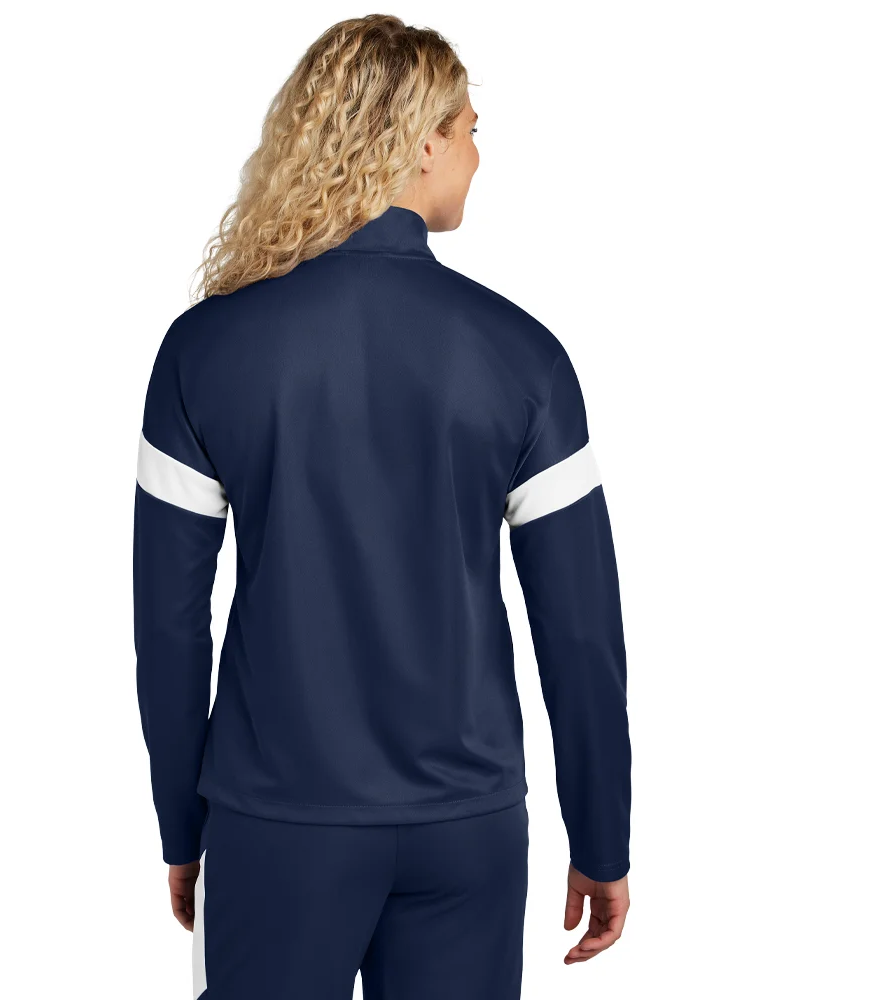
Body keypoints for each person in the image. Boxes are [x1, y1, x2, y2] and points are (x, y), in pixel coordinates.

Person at [133, 14, 631, 1000]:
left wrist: (184, 825)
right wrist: (602, 836)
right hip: (467, 835)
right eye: (472, 130)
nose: (479, 157)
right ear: (422, 141)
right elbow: (581, 634)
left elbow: (167, 627)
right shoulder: (523, 357)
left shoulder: (204, 349)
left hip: (276, 827)